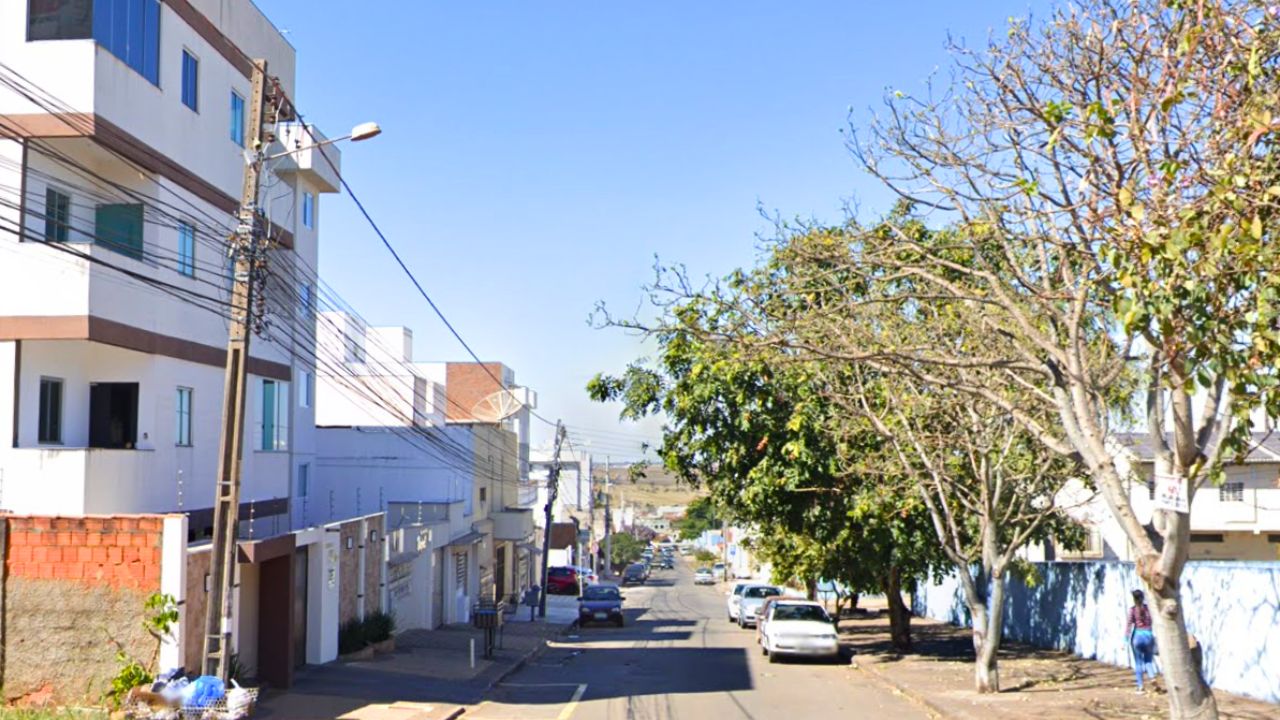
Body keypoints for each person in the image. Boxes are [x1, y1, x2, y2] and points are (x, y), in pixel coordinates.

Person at [1126, 589, 1159, 693]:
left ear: (1134, 599)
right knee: (1148, 661)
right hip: (1149, 636)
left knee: (1138, 663)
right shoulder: (1148, 609)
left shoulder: (1132, 610)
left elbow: (1129, 624)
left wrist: (1125, 639)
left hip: (1137, 637)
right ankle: (1152, 677)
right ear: (1143, 598)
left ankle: (1140, 687)